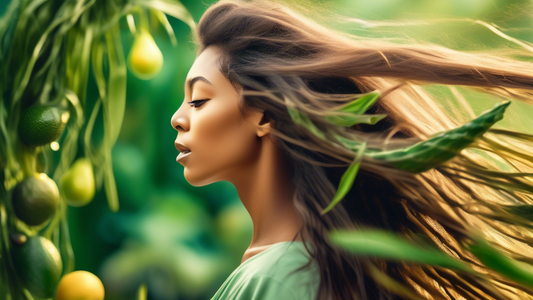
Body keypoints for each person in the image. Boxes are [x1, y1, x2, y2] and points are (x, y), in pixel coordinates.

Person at [170, 0, 533, 299]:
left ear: (263, 115)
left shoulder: (286, 278)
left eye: (199, 100)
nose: (177, 118)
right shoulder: (282, 270)